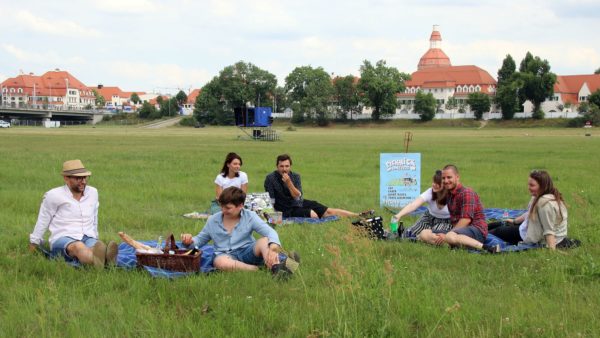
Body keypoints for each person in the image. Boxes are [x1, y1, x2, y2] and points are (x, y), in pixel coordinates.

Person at [181, 187, 299, 275]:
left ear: (240, 206)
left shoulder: (250, 216)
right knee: (220, 262)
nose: (223, 210)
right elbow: (199, 241)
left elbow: (270, 232)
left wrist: (273, 246)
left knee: (265, 241)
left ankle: (277, 268)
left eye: (228, 208)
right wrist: (189, 241)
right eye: (222, 206)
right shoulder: (212, 220)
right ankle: (260, 271)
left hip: (247, 251)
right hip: (225, 256)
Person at [28, 160, 118, 268]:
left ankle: (100, 260)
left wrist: (95, 237)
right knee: (78, 246)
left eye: (85, 177)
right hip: (63, 238)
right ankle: (104, 261)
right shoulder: (53, 195)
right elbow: (43, 220)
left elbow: (94, 217)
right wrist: (34, 243)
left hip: (88, 236)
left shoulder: (93, 192)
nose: (83, 181)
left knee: (95, 247)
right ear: (66, 178)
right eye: (78, 178)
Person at [421, 164, 498, 253]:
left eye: (449, 177)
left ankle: (487, 248)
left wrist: (446, 236)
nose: (446, 181)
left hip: (476, 230)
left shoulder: (467, 193)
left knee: (450, 236)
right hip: (458, 231)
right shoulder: (449, 195)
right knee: (424, 233)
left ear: (457, 177)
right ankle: (456, 244)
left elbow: (466, 220)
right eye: (443, 178)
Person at [264, 154, 364, 219]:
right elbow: (270, 200)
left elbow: (297, 196)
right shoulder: (270, 178)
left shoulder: (295, 176)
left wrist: (289, 183)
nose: (284, 169)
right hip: (285, 209)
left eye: (287, 166)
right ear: (277, 166)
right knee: (313, 215)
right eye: (281, 166)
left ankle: (358, 215)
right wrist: (275, 217)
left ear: (290, 166)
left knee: (327, 211)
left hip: (298, 203)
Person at [490, 170, 569, 249]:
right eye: (528, 184)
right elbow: (529, 213)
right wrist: (514, 221)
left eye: (532, 185)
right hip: (530, 227)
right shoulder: (538, 196)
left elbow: (549, 230)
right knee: (498, 224)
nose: (528, 188)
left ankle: (478, 237)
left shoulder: (545, 204)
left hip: (530, 236)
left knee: (496, 231)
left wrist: (552, 251)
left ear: (542, 186)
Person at [393, 170, 451, 240]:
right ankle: (417, 237)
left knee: (436, 236)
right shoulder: (430, 192)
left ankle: (420, 238)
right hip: (428, 217)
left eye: (438, 183)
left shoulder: (451, 196)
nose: (434, 185)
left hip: (446, 221)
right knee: (410, 233)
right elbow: (413, 205)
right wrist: (398, 215)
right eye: (434, 182)